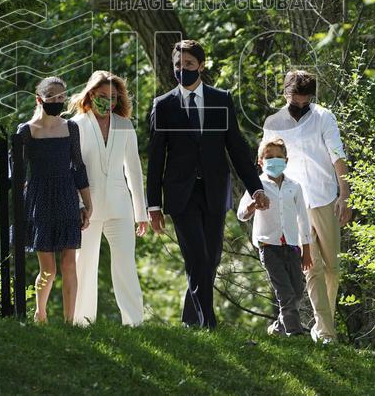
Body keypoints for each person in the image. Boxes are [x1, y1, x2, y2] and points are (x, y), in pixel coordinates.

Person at [146, 39, 269, 329]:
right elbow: (155, 158)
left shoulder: (221, 99)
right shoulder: (163, 106)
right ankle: (208, 323)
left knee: (211, 257)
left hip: (214, 190)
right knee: (197, 255)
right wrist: (153, 204)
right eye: (178, 65)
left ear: (201, 66)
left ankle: (191, 319)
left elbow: (237, 149)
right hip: (180, 193)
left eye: (188, 65)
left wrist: (256, 188)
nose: (182, 70)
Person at [262, 70, 351, 343]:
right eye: (294, 100)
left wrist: (345, 195)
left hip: (324, 197)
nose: (299, 106)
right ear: (285, 94)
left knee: (333, 267)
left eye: (305, 101)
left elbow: (338, 155)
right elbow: (266, 160)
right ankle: (326, 332)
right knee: (312, 268)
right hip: (292, 201)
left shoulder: (324, 117)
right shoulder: (274, 122)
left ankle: (320, 323)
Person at [10, 76, 93, 324]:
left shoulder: (71, 128)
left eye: (61, 97)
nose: (58, 102)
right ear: (39, 100)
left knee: (69, 265)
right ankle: (41, 314)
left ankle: (69, 321)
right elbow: (16, 172)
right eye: (53, 98)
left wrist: (87, 204)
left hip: (67, 197)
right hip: (40, 200)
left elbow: (78, 167)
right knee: (49, 269)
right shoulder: (26, 131)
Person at [69, 71, 148, 326]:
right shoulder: (76, 125)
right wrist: (79, 205)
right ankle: (82, 322)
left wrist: (141, 213)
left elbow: (133, 170)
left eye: (113, 97)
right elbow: (73, 169)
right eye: (103, 96)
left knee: (125, 266)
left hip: (120, 207)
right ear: (91, 94)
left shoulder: (124, 125)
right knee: (85, 265)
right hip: (86, 209)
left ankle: (134, 322)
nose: (108, 101)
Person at [237, 137, 314, 337]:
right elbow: (241, 215)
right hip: (268, 247)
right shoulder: (256, 187)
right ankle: (294, 334)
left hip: (292, 246)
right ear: (260, 161)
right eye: (269, 157)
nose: (274, 161)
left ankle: (278, 327)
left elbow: (303, 220)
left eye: (279, 157)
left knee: (297, 292)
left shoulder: (294, 187)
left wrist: (307, 250)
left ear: (286, 161)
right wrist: (254, 205)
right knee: (285, 294)